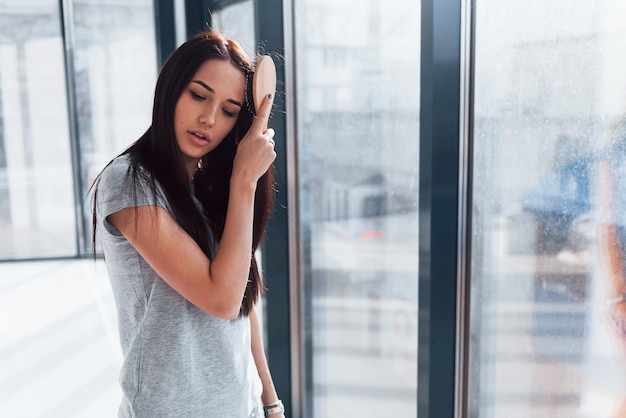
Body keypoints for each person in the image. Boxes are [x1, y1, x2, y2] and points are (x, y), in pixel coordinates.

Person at [91, 30, 285, 418]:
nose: (208, 119)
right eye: (199, 95)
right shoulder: (128, 183)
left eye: (229, 110)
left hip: (240, 407)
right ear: (171, 89)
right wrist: (245, 181)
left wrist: (270, 402)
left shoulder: (211, 187)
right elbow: (222, 300)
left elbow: (243, 303)